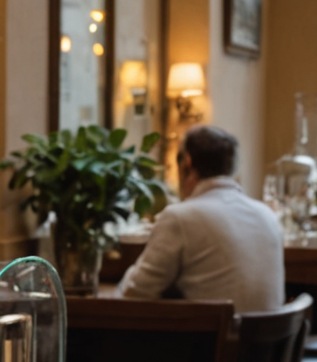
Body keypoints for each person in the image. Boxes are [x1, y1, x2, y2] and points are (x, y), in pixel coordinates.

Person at [119, 124, 285, 314]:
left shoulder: (179, 217)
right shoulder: (267, 215)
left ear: (187, 163)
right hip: (268, 342)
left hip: (212, 342)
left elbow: (134, 292)